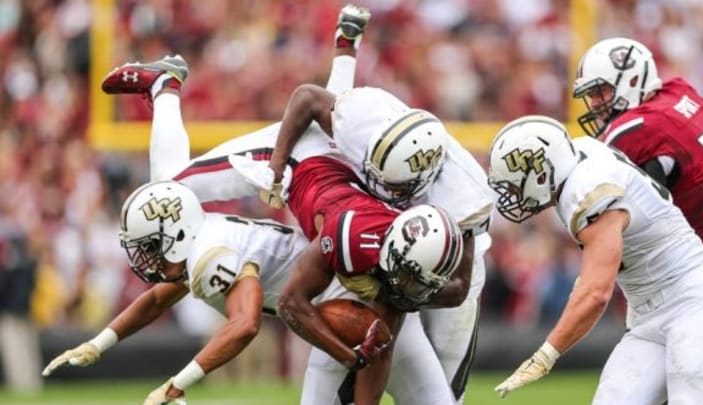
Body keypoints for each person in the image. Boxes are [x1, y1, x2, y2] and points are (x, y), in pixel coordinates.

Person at [96, 5, 469, 404]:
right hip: (292, 159)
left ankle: (346, 41)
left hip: (336, 164)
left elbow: (336, 105)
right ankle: (165, 84)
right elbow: (313, 101)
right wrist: (275, 169)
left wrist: (347, 48)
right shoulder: (353, 226)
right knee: (168, 192)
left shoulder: (411, 204)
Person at [263, 80, 493, 404]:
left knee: (448, 376)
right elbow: (307, 97)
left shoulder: (465, 197)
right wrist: (276, 164)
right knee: (369, 344)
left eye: (393, 186)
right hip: (386, 242)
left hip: (443, 262)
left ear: (423, 180)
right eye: (377, 172)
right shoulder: (364, 120)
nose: (377, 185)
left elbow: (458, 287)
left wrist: (395, 292)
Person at [487, 115, 703, 404]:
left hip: (694, 300)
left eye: (516, 183)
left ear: (542, 171)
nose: (514, 194)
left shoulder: (587, 188)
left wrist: (546, 354)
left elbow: (596, 293)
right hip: (647, 317)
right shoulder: (580, 158)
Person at [41, 180, 313, 405]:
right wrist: (96, 345)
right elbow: (156, 300)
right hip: (317, 301)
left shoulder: (209, 253)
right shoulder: (198, 242)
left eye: (150, 246)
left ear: (179, 234)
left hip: (336, 291)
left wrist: (177, 384)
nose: (145, 257)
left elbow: (245, 324)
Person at [573, 37, 703, 256]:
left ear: (631, 81)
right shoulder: (677, 92)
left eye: (600, 91)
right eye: (591, 95)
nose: (594, 103)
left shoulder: (634, 129)